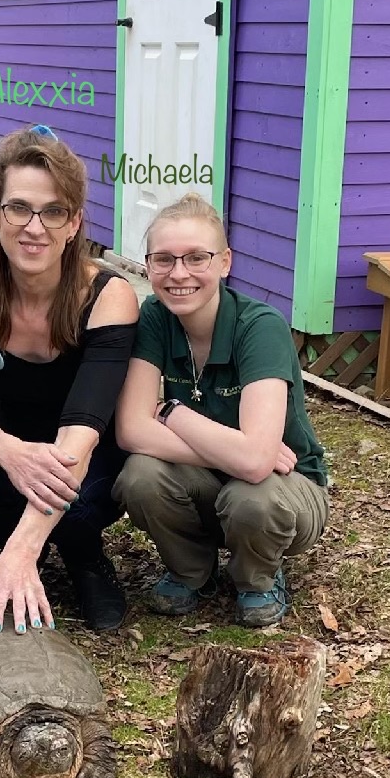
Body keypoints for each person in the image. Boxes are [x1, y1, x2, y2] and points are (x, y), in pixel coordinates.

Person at [0, 126, 139, 635]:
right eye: (19, 208)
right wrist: (10, 452)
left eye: (53, 212)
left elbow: (82, 435)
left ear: (73, 224)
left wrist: (22, 549)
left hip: (94, 458)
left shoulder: (107, 296)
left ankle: (80, 556)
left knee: (77, 508)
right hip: (19, 448)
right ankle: (22, 556)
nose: (35, 227)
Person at [113, 193, 329, 627]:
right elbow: (131, 431)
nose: (179, 274)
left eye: (196, 258)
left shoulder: (259, 327)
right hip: (213, 481)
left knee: (253, 495)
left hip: (286, 490)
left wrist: (169, 410)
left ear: (225, 262)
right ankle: (193, 571)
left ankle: (258, 579)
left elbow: (255, 465)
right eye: (163, 260)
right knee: (140, 475)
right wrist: (240, 453)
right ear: (148, 264)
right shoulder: (155, 317)